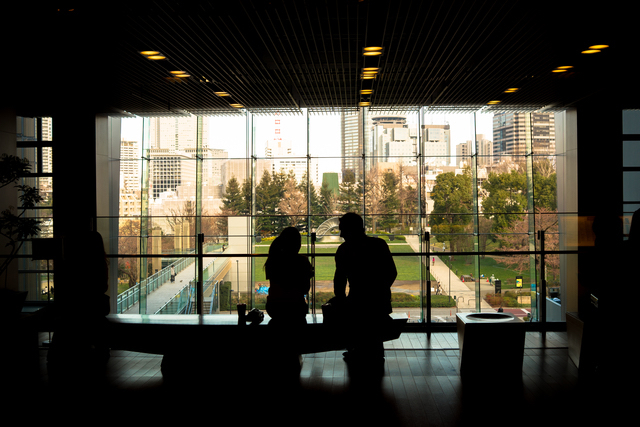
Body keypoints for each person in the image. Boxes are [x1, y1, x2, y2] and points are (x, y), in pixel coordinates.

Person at [332, 212, 397, 361]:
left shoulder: (344, 250)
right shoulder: (379, 245)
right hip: (378, 302)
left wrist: (341, 300)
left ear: (350, 230)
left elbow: (340, 280)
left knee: (357, 343)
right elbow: (391, 272)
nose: (341, 234)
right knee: (375, 345)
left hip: (356, 302)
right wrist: (380, 290)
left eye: (343, 230)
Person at [264, 227, 312, 327]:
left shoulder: (273, 261)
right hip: (296, 308)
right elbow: (305, 289)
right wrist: (307, 276)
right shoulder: (302, 261)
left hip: (275, 308)